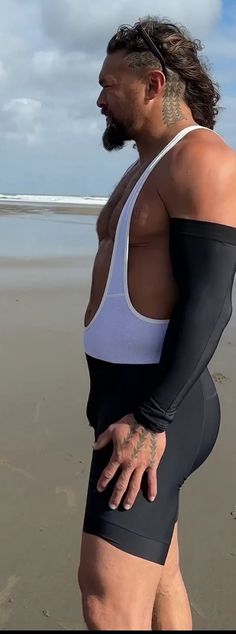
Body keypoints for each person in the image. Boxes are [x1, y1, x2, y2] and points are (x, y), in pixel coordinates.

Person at [78, 16, 236, 631]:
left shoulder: (202, 158)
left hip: (157, 405)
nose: (98, 98)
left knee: (107, 602)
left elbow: (211, 301)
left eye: (108, 85)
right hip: (122, 397)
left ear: (152, 83)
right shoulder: (144, 165)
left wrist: (152, 418)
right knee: (160, 570)